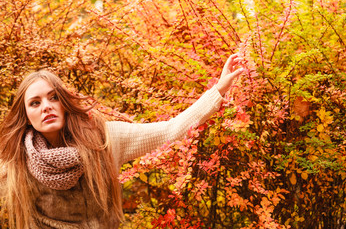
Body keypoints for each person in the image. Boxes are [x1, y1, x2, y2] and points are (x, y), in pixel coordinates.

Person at [0, 53, 243, 229]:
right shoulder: (15, 160)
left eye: (53, 98)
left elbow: (169, 131)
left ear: (64, 103)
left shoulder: (105, 140)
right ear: (26, 116)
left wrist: (218, 90)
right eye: (35, 102)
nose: (46, 107)